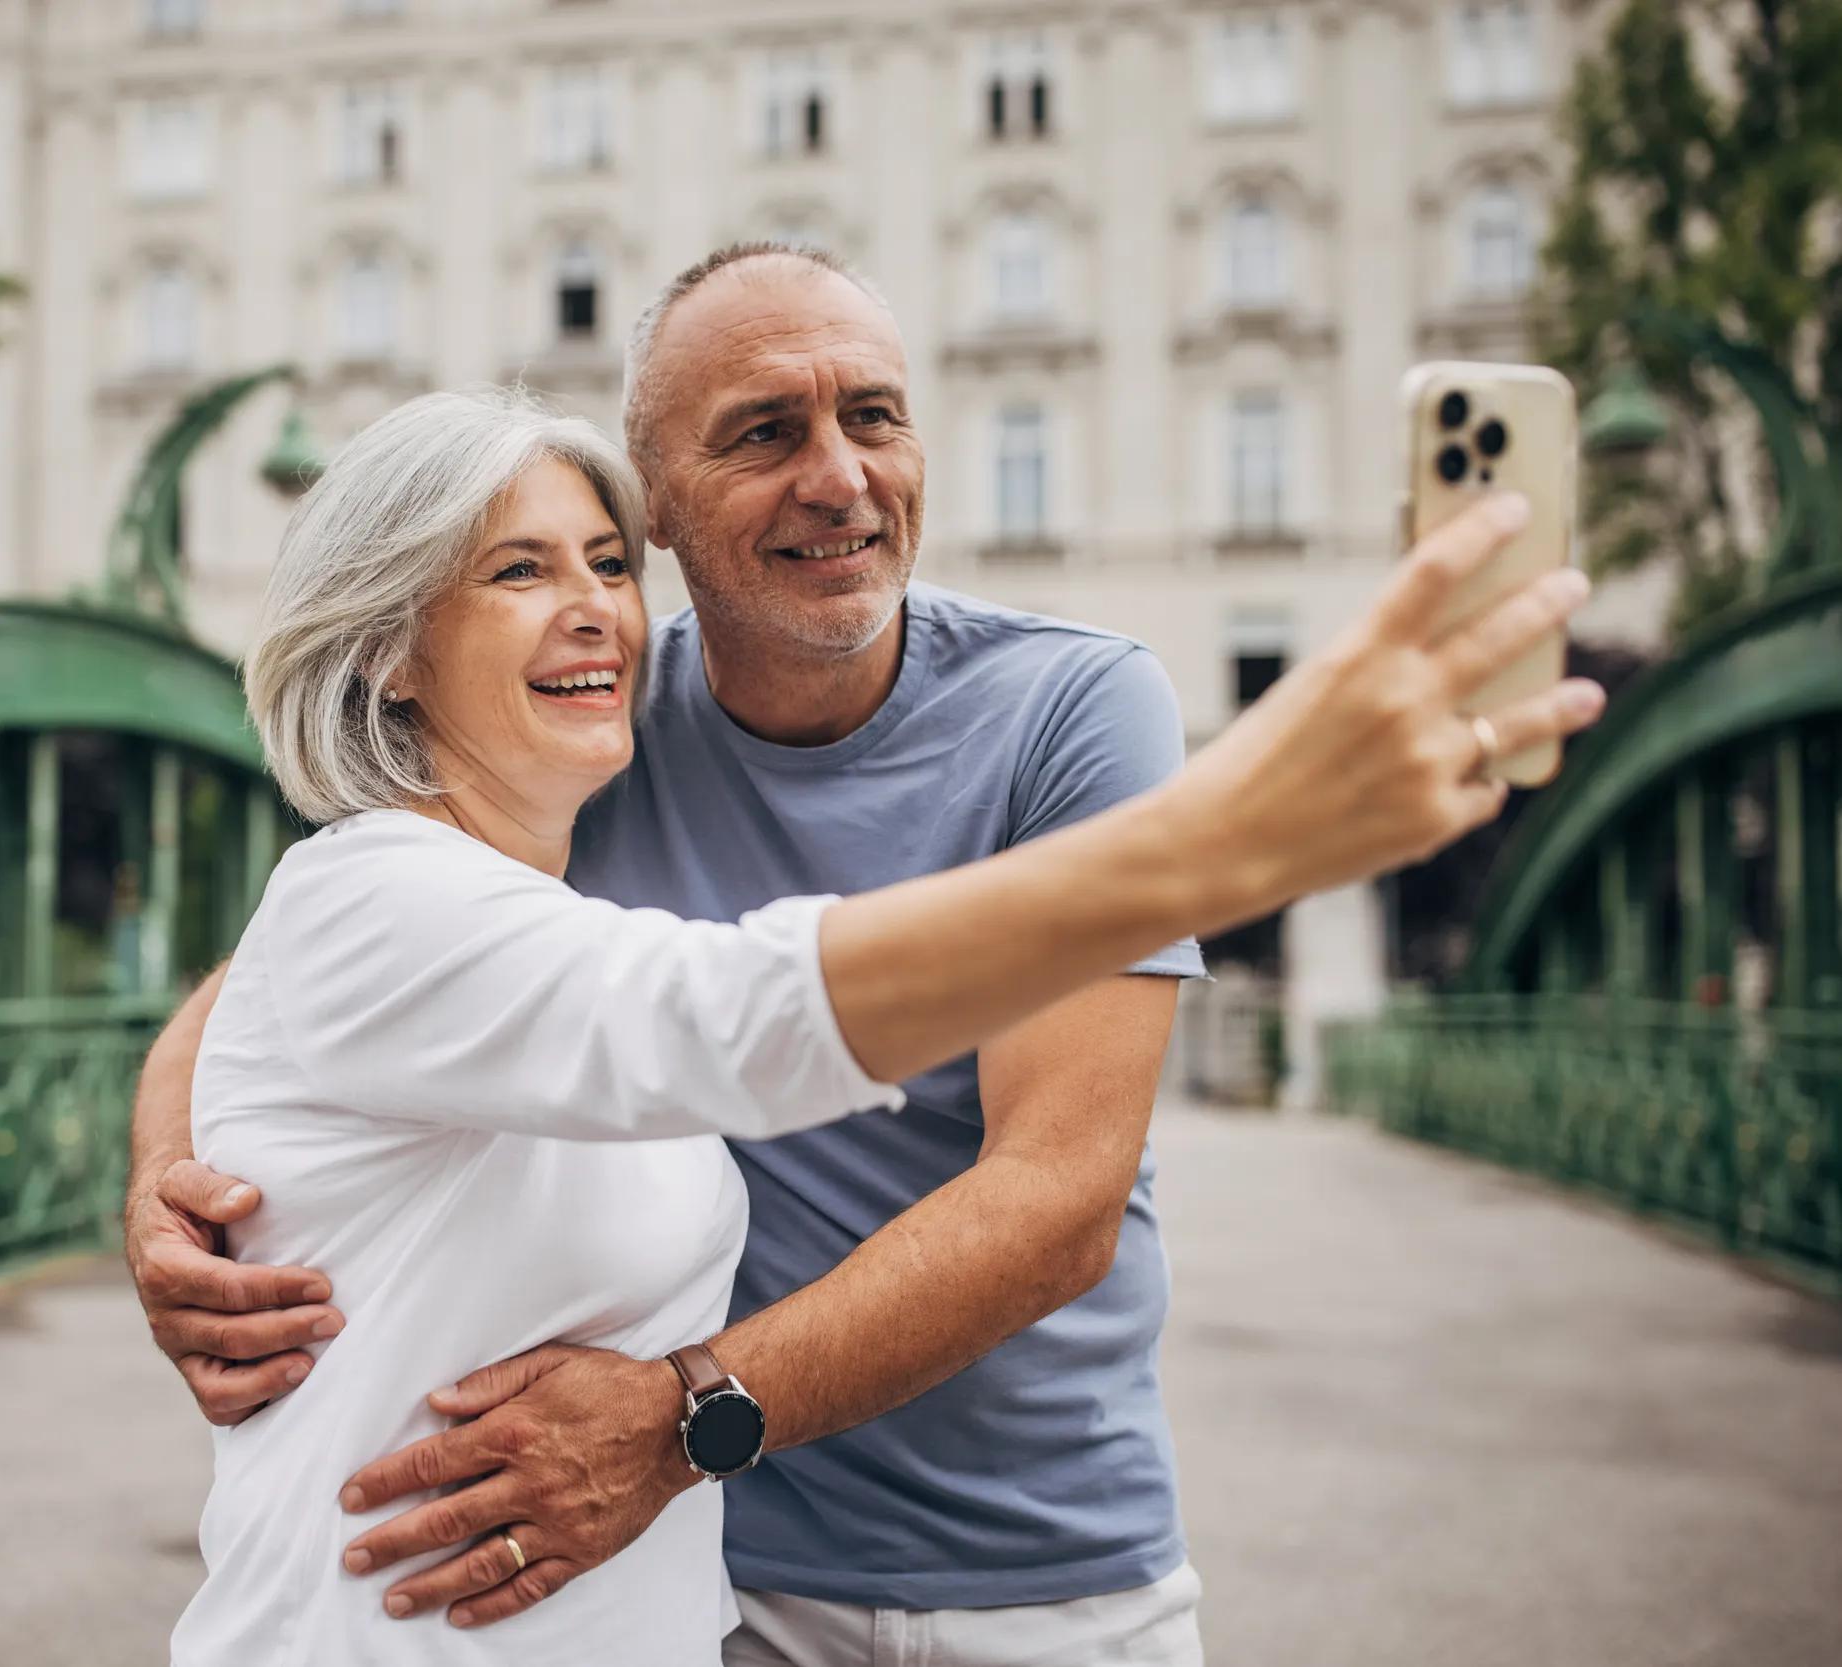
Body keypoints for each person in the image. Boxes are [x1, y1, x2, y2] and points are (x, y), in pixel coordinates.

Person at [136, 249, 1604, 1667]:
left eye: (876, 416)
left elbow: (1056, 1197)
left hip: (1002, 1564)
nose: (837, 475)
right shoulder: (586, 739)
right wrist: (170, 1179)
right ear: (671, 507)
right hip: (718, 1581)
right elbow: (384, 961)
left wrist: (678, 1417)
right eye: (765, 432)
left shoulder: (1037, 705)